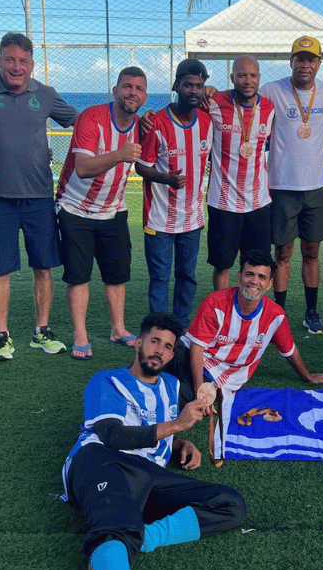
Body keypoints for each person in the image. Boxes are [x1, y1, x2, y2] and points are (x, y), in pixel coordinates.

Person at [60, 312, 246, 570]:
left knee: (230, 503)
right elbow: (111, 435)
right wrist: (176, 426)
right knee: (112, 524)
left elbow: (154, 430)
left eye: (168, 346)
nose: (160, 350)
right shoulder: (107, 381)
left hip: (149, 475)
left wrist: (179, 444)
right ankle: (119, 561)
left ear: (171, 356)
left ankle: (141, 537)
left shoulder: (171, 387)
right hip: (102, 458)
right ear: (138, 343)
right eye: (154, 341)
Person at [0, 31, 77, 361]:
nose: (16, 66)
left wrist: (128, 119)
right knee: (0, 270)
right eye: (10, 59)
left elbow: (82, 123)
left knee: (44, 267)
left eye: (23, 61)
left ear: (32, 65)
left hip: (39, 197)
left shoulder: (47, 95)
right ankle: (2, 335)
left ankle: (42, 331)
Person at [167, 249, 323, 456]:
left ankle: (159, 435)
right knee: (160, 351)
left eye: (262, 277)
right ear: (239, 277)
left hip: (218, 376)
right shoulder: (215, 302)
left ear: (270, 284)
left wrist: (307, 376)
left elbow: (289, 350)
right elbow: (197, 348)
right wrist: (202, 392)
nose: (254, 281)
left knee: (174, 394)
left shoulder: (275, 316)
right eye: (249, 274)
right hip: (191, 356)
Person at [56, 67, 148, 358]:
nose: (132, 92)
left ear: (145, 97)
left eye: (139, 88)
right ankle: (80, 335)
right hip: (75, 208)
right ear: (115, 91)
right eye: (127, 86)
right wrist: (120, 154)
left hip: (113, 210)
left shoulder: (142, 125)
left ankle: (118, 329)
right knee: (79, 276)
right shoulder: (91, 117)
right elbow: (82, 168)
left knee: (116, 275)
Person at [259, 36, 323, 334]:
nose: (305, 64)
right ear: (291, 62)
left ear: (319, 63)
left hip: (315, 187)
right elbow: (244, 100)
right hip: (281, 187)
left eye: (311, 59)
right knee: (283, 253)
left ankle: (311, 312)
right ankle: (279, 312)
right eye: (300, 59)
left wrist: (315, 149)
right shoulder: (272, 90)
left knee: (312, 252)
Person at [135, 59, 212, 329]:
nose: (194, 90)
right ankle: (157, 328)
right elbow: (141, 165)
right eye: (188, 84)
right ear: (176, 86)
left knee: (187, 275)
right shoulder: (155, 122)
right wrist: (165, 178)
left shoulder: (207, 120)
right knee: (160, 277)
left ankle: (180, 327)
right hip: (159, 217)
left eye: (199, 86)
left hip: (192, 217)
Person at [205, 55, 275, 290]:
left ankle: (253, 314)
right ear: (232, 77)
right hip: (223, 202)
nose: (248, 80)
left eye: (253, 75)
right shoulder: (214, 102)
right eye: (242, 75)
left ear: (259, 78)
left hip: (258, 204)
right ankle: (223, 312)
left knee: (257, 265)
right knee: (222, 265)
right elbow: (186, 110)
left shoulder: (268, 108)